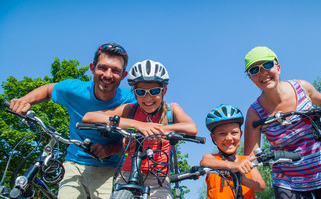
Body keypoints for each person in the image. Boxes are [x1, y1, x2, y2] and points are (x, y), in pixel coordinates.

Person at [9, 43, 136, 199]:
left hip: (110, 169)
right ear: (92, 68)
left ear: (123, 75)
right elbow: (49, 90)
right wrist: (24, 101)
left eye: (115, 70)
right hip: (73, 165)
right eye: (102, 68)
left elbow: (138, 137)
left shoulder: (131, 100)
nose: (108, 75)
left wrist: (110, 149)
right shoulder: (74, 90)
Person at [242, 46, 321, 199]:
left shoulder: (302, 87)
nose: (263, 73)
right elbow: (250, 156)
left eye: (267, 65)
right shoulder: (254, 113)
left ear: (278, 67)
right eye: (254, 70)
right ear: (250, 78)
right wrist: (232, 166)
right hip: (288, 182)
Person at [83, 59, 197, 199]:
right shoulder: (130, 109)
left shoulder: (171, 110)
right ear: (135, 93)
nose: (148, 97)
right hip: (127, 173)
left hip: (158, 178)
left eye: (154, 91)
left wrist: (162, 129)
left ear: (164, 91)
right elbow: (89, 117)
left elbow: (191, 127)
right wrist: (138, 125)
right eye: (141, 92)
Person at [200, 104, 265, 199]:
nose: (229, 138)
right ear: (213, 137)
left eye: (234, 133)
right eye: (222, 133)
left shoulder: (246, 160)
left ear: (241, 134)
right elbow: (205, 162)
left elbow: (261, 186)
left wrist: (244, 180)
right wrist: (233, 166)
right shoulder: (211, 158)